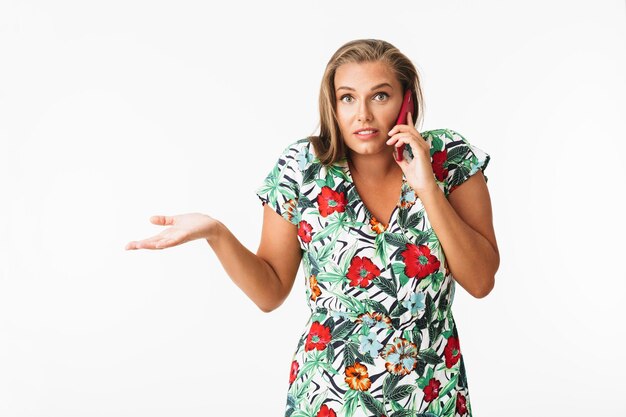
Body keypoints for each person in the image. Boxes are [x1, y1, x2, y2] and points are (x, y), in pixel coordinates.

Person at [125, 39, 499, 417]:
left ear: (407, 102)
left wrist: (426, 188)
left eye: (380, 96)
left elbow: (481, 280)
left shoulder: (448, 157)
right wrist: (216, 233)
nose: (362, 114)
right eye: (348, 98)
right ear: (332, 105)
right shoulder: (302, 167)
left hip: (431, 396)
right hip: (329, 397)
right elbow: (270, 291)